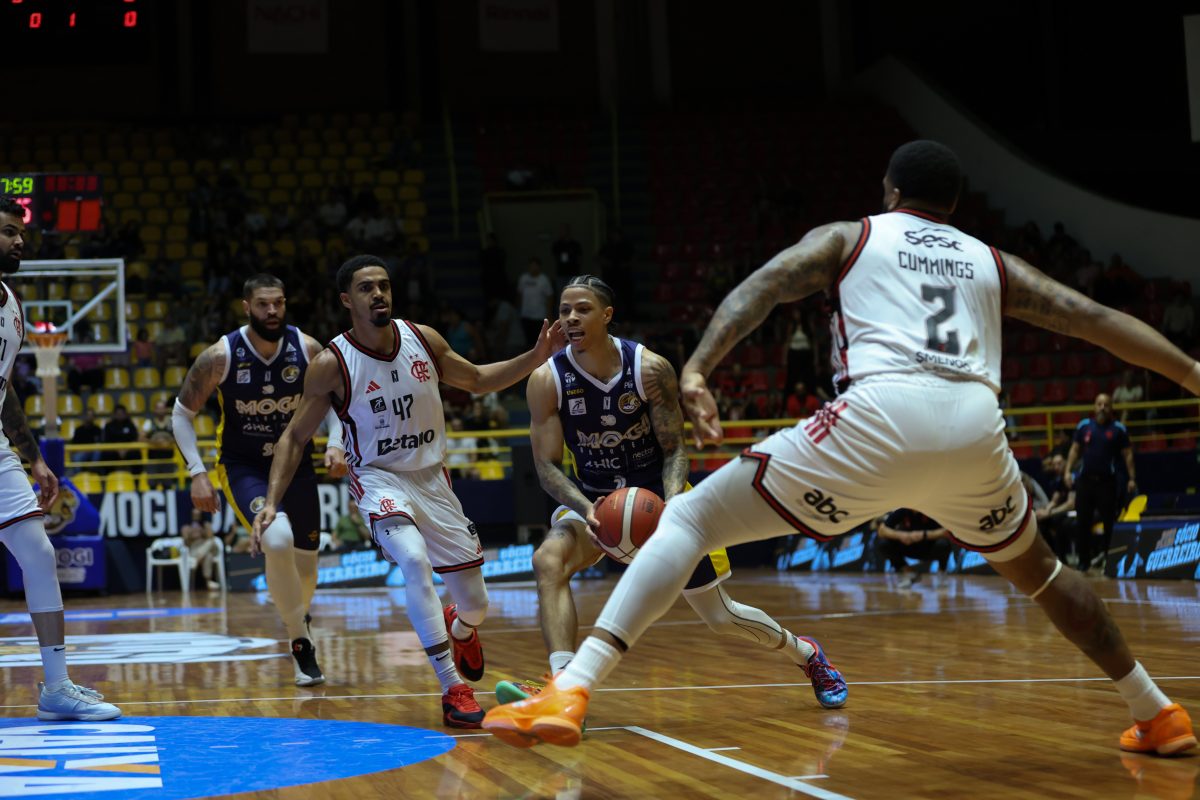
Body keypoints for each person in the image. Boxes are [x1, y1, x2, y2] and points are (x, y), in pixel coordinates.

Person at [483, 140, 1200, 757]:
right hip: (977, 431)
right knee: (1044, 574)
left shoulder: (853, 236)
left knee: (691, 519)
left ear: (890, 192)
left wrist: (699, 367)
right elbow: (1091, 317)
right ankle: (1156, 711)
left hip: (878, 416)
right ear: (953, 203)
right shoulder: (992, 260)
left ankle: (571, 688)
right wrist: (1192, 374)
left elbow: (764, 288)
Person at [493, 275, 846, 710]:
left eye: (582, 309)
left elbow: (675, 449)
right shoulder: (547, 379)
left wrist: (672, 503)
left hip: (657, 499)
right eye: (564, 310)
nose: (570, 318)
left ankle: (807, 655)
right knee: (547, 560)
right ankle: (565, 690)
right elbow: (546, 466)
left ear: (607, 315)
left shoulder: (649, 369)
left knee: (720, 617)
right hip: (593, 501)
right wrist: (587, 509)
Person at [252, 254, 565, 728]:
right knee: (414, 561)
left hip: (433, 480)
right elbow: (294, 437)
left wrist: (536, 356)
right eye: (366, 288)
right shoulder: (332, 364)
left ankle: (461, 626)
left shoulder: (424, 339)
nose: (378, 293)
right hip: (379, 479)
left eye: (383, 285)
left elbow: (477, 380)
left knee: (477, 604)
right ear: (346, 300)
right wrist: (273, 503)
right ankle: (452, 688)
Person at [172, 273, 348, 687]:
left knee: (306, 566)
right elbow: (181, 413)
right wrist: (197, 472)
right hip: (244, 466)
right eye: (263, 304)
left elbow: (334, 404)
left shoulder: (308, 349)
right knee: (277, 539)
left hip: (296, 465)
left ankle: (298, 618)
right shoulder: (220, 356)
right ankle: (300, 642)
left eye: (279, 303)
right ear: (246, 307)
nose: (272, 311)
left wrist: (336, 442)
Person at [0, 195, 120, 720]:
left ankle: (55, 688)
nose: (18, 241)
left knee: (39, 553)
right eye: (8, 231)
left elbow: (4, 389)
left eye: (20, 233)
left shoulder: (12, 304)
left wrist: (34, 459)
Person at [1064, 393, 1137, 574]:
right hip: (1085, 482)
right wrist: (1067, 471)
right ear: (1094, 407)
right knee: (1083, 522)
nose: (1102, 408)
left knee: (1109, 523)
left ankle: (1110, 562)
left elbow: (1128, 455)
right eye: (1099, 404)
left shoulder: (1118, 429)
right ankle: (1083, 562)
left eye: (1106, 405)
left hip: (1107, 483)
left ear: (1112, 408)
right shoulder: (1084, 426)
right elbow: (1075, 450)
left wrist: (1132, 478)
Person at [874, 509, 951, 589]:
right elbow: (881, 531)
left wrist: (923, 535)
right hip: (908, 546)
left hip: (929, 548)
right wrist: (901, 535)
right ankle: (908, 572)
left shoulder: (932, 509)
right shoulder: (902, 510)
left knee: (944, 544)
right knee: (883, 544)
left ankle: (942, 572)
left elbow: (947, 531)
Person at [1035, 454, 1076, 561]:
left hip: (1075, 512)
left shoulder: (1071, 477)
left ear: (1066, 463)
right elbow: (1054, 500)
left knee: (1059, 522)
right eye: (1054, 464)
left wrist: (1050, 513)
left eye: (1059, 464)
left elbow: (1070, 504)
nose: (1056, 467)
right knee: (1042, 522)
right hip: (1063, 512)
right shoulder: (1059, 480)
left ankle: (1062, 559)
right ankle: (1050, 555)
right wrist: (1045, 511)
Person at [180, 507, 222, 591]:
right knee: (208, 556)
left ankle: (197, 560)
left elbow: (211, 537)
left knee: (210, 542)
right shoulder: (186, 527)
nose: (196, 516)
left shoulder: (206, 525)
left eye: (198, 515)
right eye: (194, 515)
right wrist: (191, 535)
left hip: (207, 546)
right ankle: (208, 582)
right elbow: (185, 543)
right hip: (194, 549)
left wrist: (202, 532)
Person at [517, 258, 555, 343]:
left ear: (539, 267)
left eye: (535, 266)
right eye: (531, 266)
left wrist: (549, 313)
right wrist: (519, 309)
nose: (533, 268)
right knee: (528, 340)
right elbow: (519, 294)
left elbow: (550, 296)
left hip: (539, 316)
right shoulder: (523, 278)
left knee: (538, 340)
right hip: (526, 315)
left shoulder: (544, 279)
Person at [141, 399, 175, 487]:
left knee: (167, 484)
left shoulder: (172, 421)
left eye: (162, 408)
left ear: (166, 409)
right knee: (152, 484)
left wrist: (169, 441)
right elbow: (141, 437)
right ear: (155, 410)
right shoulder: (149, 422)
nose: (160, 410)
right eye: (158, 408)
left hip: (168, 458)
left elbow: (180, 436)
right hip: (153, 458)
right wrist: (154, 442)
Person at [102, 404, 140, 468]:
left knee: (136, 454)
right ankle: (107, 474)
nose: (120, 415)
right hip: (113, 450)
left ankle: (137, 474)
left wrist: (126, 450)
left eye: (122, 413)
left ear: (125, 414)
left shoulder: (130, 425)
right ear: (114, 414)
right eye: (118, 413)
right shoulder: (109, 426)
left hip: (128, 450)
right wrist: (117, 449)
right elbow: (106, 441)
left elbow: (135, 439)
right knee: (106, 455)